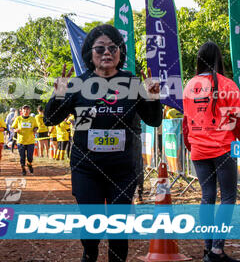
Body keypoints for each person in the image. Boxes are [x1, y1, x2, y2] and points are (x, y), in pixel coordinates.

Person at [44, 24, 161, 262]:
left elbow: (153, 119)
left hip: (122, 169)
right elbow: (50, 119)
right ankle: (90, 251)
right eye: (100, 49)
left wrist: (153, 97)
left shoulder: (132, 83)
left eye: (113, 48)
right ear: (90, 53)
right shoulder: (77, 84)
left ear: (120, 53)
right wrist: (57, 95)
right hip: (86, 167)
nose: (107, 53)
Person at [182, 41, 240, 262]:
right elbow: (238, 120)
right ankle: (217, 250)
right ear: (218, 59)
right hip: (223, 149)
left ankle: (208, 250)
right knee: (228, 196)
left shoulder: (189, 85)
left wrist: (190, 145)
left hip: (199, 150)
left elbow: (186, 121)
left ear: (199, 60)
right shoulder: (228, 85)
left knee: (207, 197)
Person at [12, 105, 38, 176]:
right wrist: (15, 130)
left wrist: (35, 129)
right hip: (21, 141)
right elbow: (12, 127)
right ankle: (23, 168)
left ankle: (29, 164)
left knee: (30, 157)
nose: (26, 111)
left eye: (27, 109)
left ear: (29, 111)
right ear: (21, 111)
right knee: (22, 157)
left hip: (30, 141)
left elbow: (36, 126)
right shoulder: (18, 119)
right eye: (24, 109)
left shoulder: (33, 119)